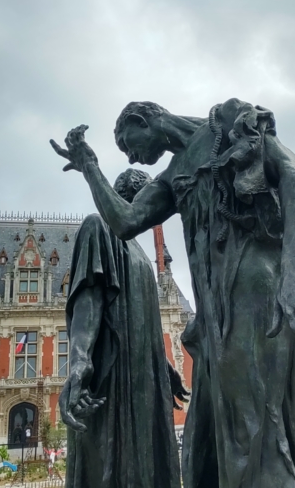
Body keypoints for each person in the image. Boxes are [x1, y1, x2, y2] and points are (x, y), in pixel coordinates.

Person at [51, 99, 295, 488]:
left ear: (144, 120)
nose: (133, 157)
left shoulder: (231, 122)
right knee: (202, 450)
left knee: (256, 440)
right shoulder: (172, 176)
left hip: (253, 291)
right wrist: (90, 166)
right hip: (211, 318)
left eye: (127, 143)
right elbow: (125, 221)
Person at [59, 168, 187, 488]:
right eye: (152, 203)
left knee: (147, 463)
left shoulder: (138, 251)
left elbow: (143, 316)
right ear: (135, 198)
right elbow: (89, 297)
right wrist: (80, 360)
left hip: (144, 376)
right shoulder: (98, 226)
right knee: (113, 463)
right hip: (115, 374)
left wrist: (162, 362)